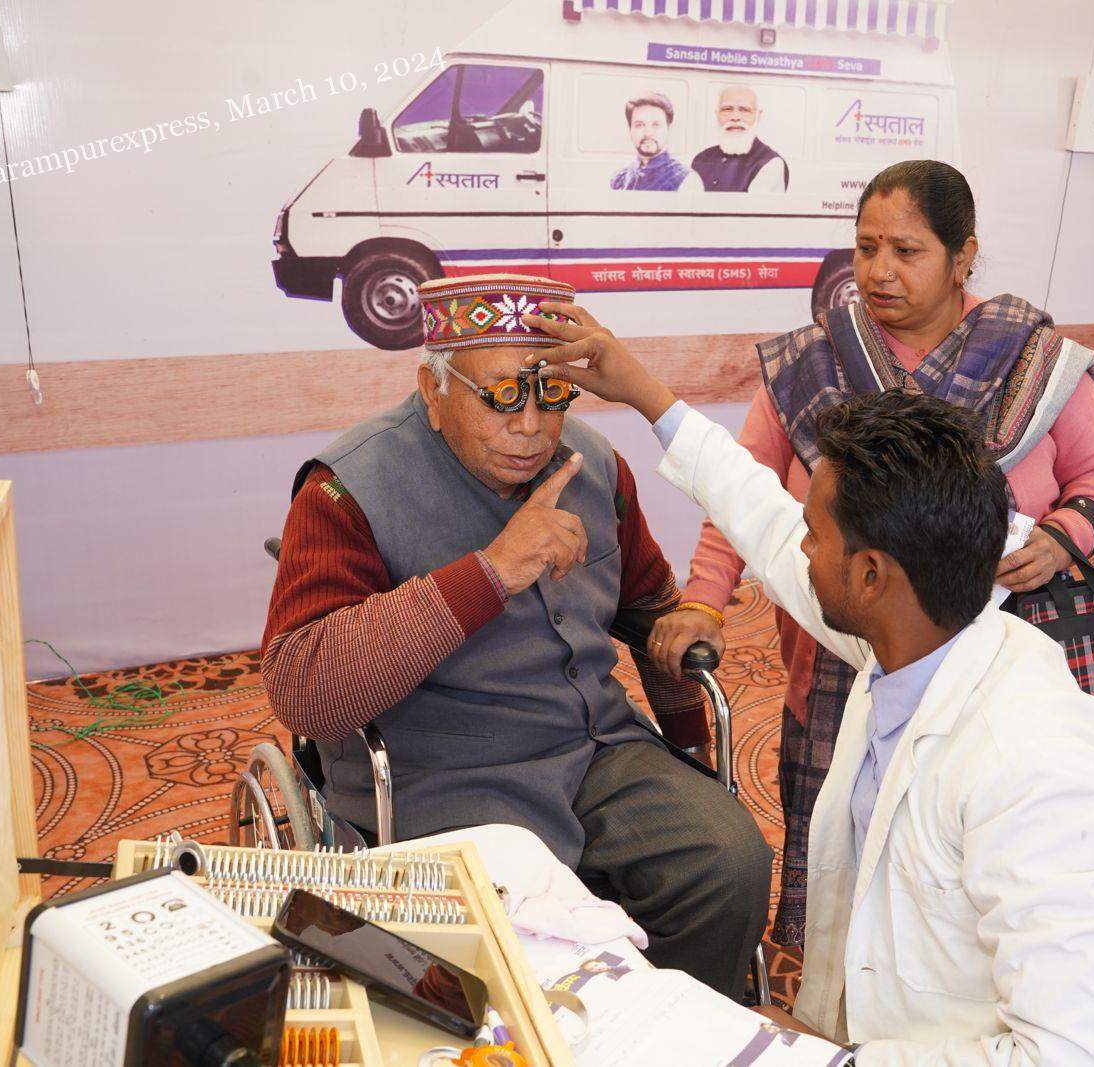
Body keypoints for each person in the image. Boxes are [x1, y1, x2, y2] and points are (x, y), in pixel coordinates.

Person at [518, 310, 1094, 1063]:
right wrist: (647, 396)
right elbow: (761, 516)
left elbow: (1079, 1055)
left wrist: (832, 1059)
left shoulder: (1042, 769)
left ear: (871, 575)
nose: (798, 549)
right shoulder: (910, 637)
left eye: (815, 535)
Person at [649, 159, 1094, 943]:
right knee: (841, 837)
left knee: (965, 837)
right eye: (866, 247)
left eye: (907, 251)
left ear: (963, 256)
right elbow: (740, 490)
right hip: (836, 654)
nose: (878, 272)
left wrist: (1059, 536)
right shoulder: (812, 365)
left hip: (990, 656)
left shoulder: (1032, 363)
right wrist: (704, 598)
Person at [261, 273, 771, 1000]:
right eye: (502, 395)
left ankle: (667, 1029)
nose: (531, 425)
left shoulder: (595, 464)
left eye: (551, 392)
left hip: (594, 750)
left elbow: (650, 604)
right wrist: (491, 573)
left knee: (728, 861)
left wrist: (689, 745)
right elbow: (304, 691)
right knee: (514, 946)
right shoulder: (346, 489)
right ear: (433, 389)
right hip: (443, 772)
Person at [689, 86, 789, 193]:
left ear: (758, 116)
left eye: (744, 110)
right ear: (717, 114)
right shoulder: (701, 159)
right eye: (727, 109)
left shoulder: (770, 163)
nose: (735, 117)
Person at [610, 93, 692, 191]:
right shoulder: (619, 180)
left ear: (669, 128)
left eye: (656, 125)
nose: (648, 133)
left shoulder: (686, 180)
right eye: (639, 125)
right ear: (629, 129)